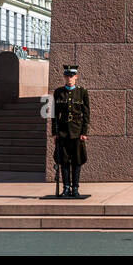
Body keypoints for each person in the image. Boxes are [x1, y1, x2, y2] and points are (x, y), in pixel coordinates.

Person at [53, 65, 90, 198]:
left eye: (71, 76)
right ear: (64, 76)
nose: (69, 78)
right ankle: (66, 187)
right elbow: (55, 115)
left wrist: (84, 132)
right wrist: (55, 133)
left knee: (76, 161)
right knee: (63, 161)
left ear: (76, 76)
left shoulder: (82, 92)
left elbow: (86, 114)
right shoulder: (58, 92)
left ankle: (75, 188)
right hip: (63, 132)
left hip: (77, 131)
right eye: (67, 76)